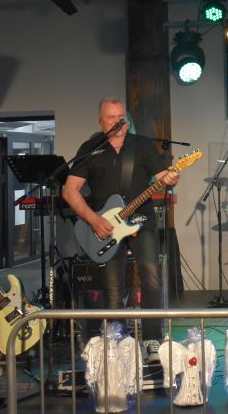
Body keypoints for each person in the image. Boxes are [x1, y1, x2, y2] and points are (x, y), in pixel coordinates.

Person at [62, 96, 180, 358]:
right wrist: (94, 220)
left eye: (121, 117)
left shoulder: (142, 145)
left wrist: (172, 177)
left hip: (141, 220)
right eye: (111, 118)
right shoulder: (90, 148)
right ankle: (118, 341)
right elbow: (70, 191)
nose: (118, 122)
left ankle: (152, 339)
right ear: (101, 121)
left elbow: (163, 177)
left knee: (151, 277)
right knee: (113, 287)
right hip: (105, 227)